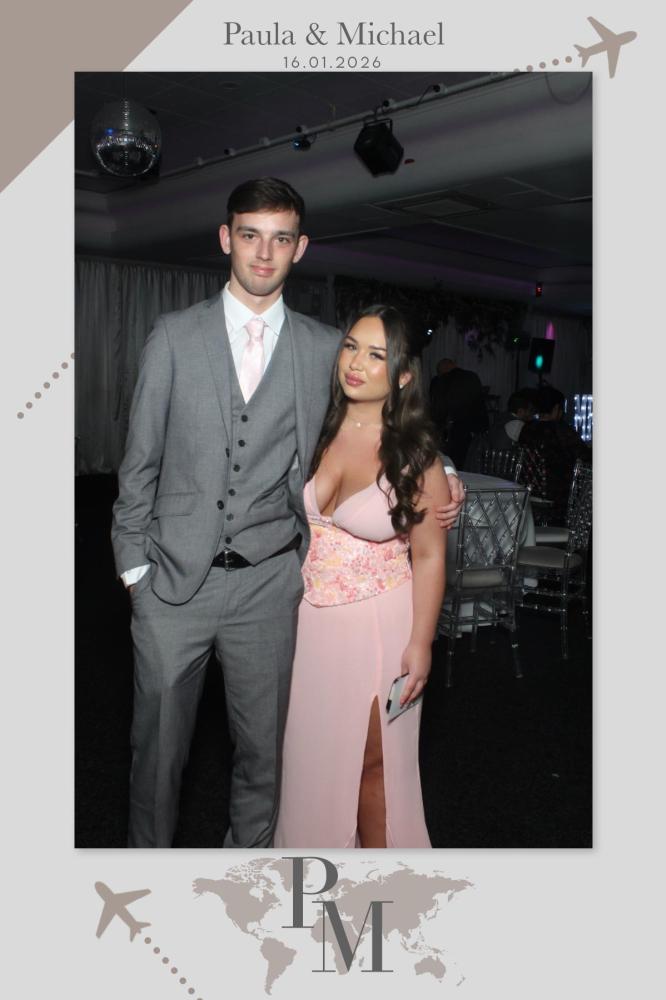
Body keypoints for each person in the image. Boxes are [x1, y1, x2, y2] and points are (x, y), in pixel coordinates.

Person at [111, 177, 465, 849]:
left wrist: (443, 472)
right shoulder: (173, 337)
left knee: (265, 764)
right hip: (171, 586)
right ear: (227, 239)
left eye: (281, 239)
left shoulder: (325, 347)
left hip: (273, 588)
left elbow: (380, 415)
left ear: (300, 249)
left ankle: (249, 882)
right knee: (156, 759)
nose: (264, 254)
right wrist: (135, 572)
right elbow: (138, 464)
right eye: (250, 235)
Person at [274, 305, 450, 848]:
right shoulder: (314, 426)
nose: (356, 363)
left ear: (403, 376)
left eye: (376, 355)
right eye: (351, 347)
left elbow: (430, 556)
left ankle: (382, 885)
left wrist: (421, 643)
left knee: (375, 765)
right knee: (309, 763)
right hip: (308, 626)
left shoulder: (417, 456)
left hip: (379, 627)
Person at [518, 384, 591, 519]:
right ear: (557, 408)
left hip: (528, 494)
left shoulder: (526, 430)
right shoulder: (562, 431)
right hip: (559, 500)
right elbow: (586, 458)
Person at [429, 357, 489, 468]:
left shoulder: (439, 381)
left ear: (442, 370)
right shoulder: (472, 376)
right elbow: (480, 403)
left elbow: (437, 407)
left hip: (451, 430)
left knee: (450, 463)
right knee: (470, 462)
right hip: (472, 429)